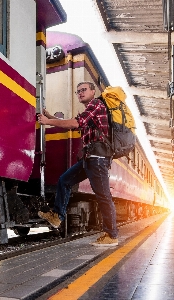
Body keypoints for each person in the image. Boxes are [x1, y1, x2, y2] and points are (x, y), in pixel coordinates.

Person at [37, 81, 118, 246]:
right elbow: (74, 127)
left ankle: (111, 235)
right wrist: (51, 117)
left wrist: (47, 121)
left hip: (98, 158)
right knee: (64, 180)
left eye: (84, 90)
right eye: (78, 91)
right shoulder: (89, 111)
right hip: (89, 158)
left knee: (103, 196)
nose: (80, 93)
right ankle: (57, 217)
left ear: (93, 92)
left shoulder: (96, 104)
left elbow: (75, 123)